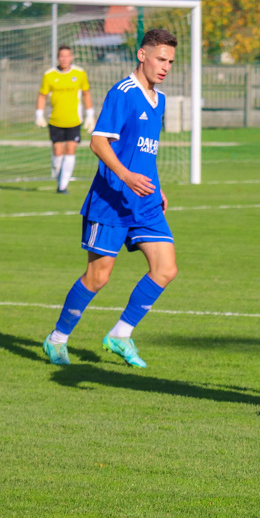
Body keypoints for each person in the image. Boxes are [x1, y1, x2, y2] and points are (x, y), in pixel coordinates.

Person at [41, 29, 179, 367]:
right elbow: (99, 142)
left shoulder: (158, 100)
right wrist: (128, 176)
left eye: (171, 62)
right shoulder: (122, 93)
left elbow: (145, 151)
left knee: (166, 269)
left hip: (144, 200)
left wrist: (155, 186)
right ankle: (57, 339)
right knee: (98, 277)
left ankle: (120, 334)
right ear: (142, 55)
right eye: (161, 59)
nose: (165, 67)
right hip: (112, 199)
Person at [36, 45, 96, 194]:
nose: (64, 59)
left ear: (72, 57)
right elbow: (42, 95)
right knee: (57, 152)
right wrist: (39, 114)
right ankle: (59, 179)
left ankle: (63, 186)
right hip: (55, 120)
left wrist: (90, 115)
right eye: (61, 56)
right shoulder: (49, 75)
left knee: (70, 149)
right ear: (58, 57)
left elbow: (86, 93)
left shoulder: (79, 73)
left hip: (74, 121)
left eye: (67, 56)